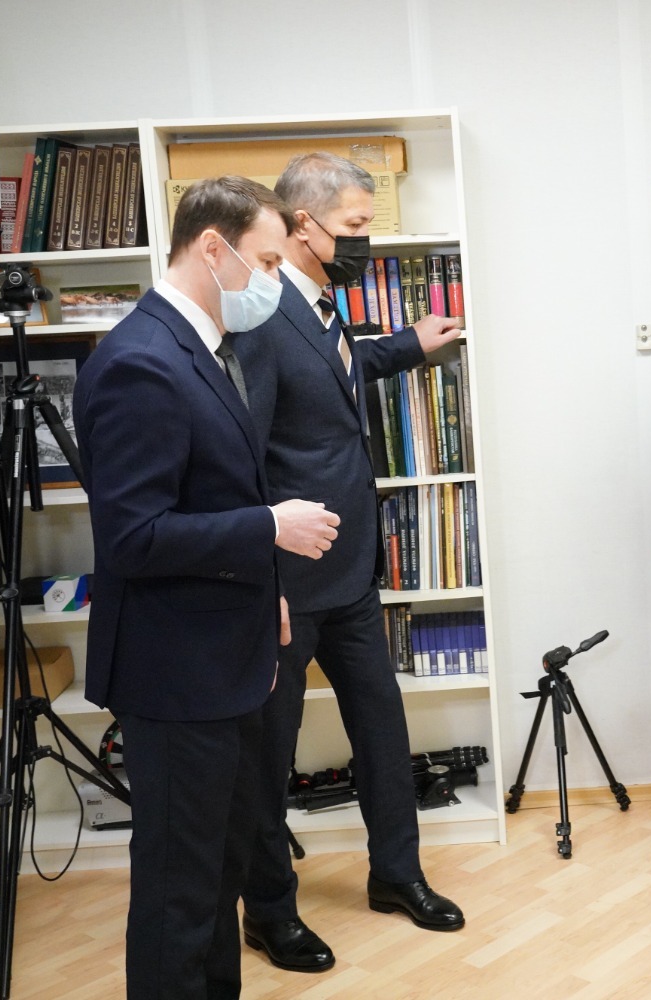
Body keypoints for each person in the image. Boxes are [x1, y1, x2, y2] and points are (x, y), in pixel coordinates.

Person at [75, 175, 341, 1000]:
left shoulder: (203, 345)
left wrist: (268, 587)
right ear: (213, 247)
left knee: (217, 879)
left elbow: (205, 493)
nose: (275, 280)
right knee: (179, 895)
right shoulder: (140, 362)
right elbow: (134, 537)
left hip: (227, 659)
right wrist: (269, 528)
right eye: (268, 261)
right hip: (176, 674)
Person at [230, 152, 465, 973]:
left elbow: (334, 373)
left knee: (382, 730)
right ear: (304, 224)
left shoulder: (324, 305)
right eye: (357, 226)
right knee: (270, 753)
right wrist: (264, 576)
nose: (367, 240)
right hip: (288, 582)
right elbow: (245, 453)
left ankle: (396, 875)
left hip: (353, 571)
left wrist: (405, 346)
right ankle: (268, 912)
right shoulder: (259, 315)